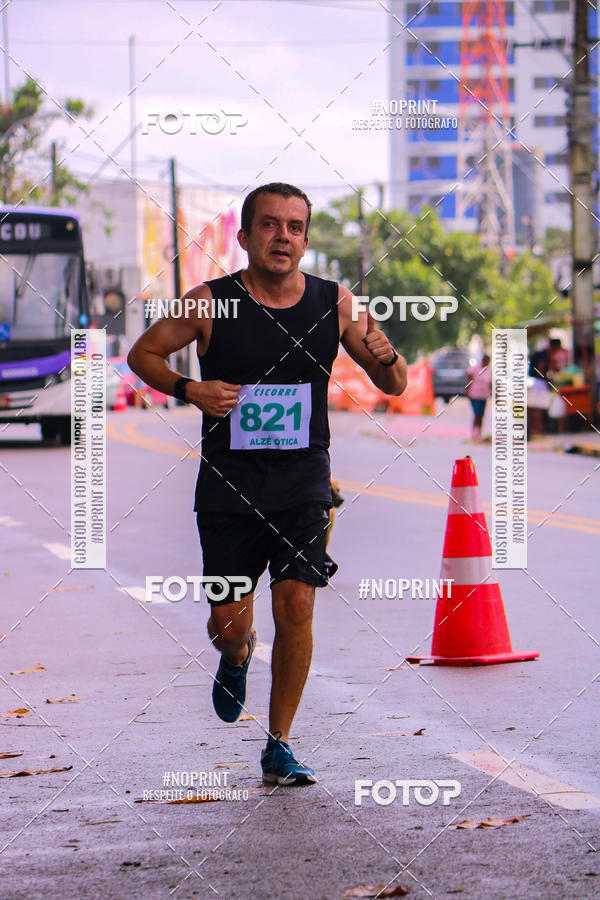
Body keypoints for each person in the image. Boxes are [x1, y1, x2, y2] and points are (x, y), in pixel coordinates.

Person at [127, 182, 407, 786]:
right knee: (228, 622)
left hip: (303, 479)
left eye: (296, 226)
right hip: (228, 483)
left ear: (306, 240)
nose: (284, 236)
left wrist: (388, 355)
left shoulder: (336, 304)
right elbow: (142, 354)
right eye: (271, 225)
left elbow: (395, 384)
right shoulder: (210, 302)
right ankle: (237, 653)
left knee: (297, 603)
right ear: (247, 236)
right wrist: (190, 389)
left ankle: (279, 743)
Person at [466, 353, 492, 441]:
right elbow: (469, 377)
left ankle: (479, 432)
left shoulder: (489, 370)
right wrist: (467, 390)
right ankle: (474, 432)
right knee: (477, 413)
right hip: (475, 394)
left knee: (481, 414)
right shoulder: (475, 369)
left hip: (484, 395)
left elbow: (490, 383)